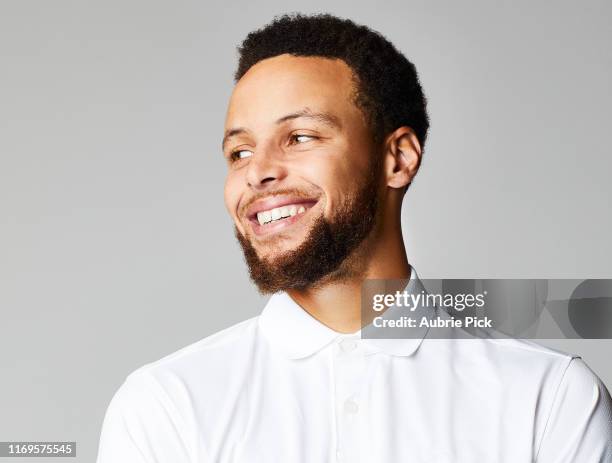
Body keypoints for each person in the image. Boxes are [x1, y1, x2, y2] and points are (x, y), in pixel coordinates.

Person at [96, 13, 612, 462]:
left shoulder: (550, 398)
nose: (257, 173)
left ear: (398, 158)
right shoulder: (165, 406)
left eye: (299, 137)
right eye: (240, 152)